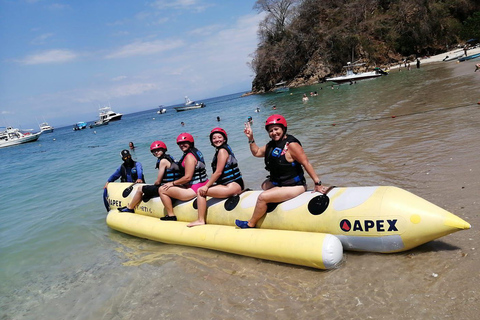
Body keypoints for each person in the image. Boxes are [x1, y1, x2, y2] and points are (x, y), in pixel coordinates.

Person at [235, 115, 329, 229]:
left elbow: (306, 163)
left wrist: (317, 184)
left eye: (276, 129)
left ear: (283, 129)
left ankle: (251, 223)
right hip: (280, 183)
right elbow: (257, 152)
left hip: (295, 185)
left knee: (262, 197)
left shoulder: (291, 145)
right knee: (264, 185)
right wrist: (251, 138)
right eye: (271, 131)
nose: (274, 133)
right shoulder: (272, 145)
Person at [187, 128, 244, 227]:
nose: (217, 139)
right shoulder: (224, 149)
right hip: (235, 184)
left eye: (219, 137)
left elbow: (218, 172)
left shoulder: (222, 151)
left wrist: (206, 186)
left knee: (200, 192)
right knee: (206, 188)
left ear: (224, 139)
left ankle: (200, 220)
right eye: (214, 138)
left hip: (232, 186)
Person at [118, 141, 181, 213]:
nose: (156, 152)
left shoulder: (162, 161)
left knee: (140, 189)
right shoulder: (170, 158)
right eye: (154, 151)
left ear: (163, 150)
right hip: (173, 186)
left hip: (165, 187)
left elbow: (158, 181)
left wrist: (153, 186)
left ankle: (130, 208)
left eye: (158, 150)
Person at [158, 133, 209, 221]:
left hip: (194, 188)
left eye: (185, 142)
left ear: (190, 142)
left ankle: (171, 215)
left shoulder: (189, 156)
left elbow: (187, 178)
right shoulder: (195, 152)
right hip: (203, 183)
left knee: (162, 189)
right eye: (180, 144)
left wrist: (172, 183)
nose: (182, 145)